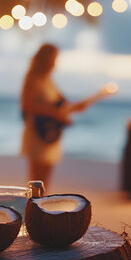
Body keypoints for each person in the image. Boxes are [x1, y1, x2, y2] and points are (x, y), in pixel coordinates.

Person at [20, 44, 92, 186]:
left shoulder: (49, 81)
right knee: (36, 180)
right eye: (53, 58)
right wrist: (55, 113)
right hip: (38, 131)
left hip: (51, 132)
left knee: (45, 179)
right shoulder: (34, 79)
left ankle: (40, 206)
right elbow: (27, 105)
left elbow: (62, 106)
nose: (54, 62)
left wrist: (78, 107)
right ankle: (35, 205)